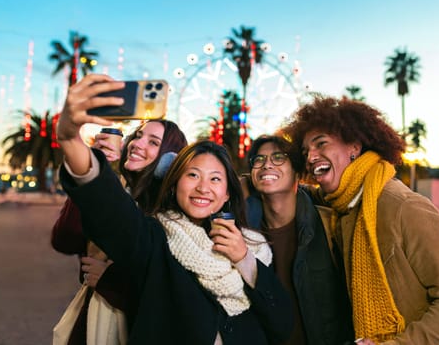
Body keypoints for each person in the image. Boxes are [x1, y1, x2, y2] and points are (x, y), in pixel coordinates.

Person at [55, 73, 294, 344]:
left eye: (215, 179)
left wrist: (244, 260)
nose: (203, 187)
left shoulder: (252, 246)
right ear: (173, 183)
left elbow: (282, 323)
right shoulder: (155, 238)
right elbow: (111, 209)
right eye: (192, 175)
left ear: (226, 193)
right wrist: (70, 138)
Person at [281, 96, 439, 344]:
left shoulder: (405, 208)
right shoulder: (344, 204)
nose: (311, 156)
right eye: (306, 151)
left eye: (321, 144)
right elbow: (302, 192)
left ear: (354, 147)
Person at [51, 117, 188, 344]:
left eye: (153, 142)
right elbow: (65, 239)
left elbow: (170, 290)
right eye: (137, 135)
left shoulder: (169, 213)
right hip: (90, 316)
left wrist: (110, 279)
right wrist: (92, 172)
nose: (137, 143)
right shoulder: (118, 191)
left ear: (169, 161)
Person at [244, 134, 355, 345]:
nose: (267, 164)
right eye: (258, 160)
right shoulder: (244, 233)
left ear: (297, 173)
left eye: (278, 157)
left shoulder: (329, 226)